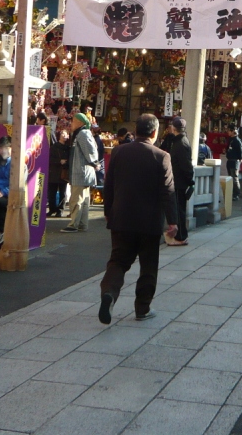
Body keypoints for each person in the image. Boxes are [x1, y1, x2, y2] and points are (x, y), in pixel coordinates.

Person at [98, 113, 178, 324]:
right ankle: (142, 308)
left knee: (118, 261)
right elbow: (168, 192)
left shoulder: (119, 152)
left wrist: (108, 211)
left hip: (121, 217)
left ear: (136, 130)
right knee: (148, 265)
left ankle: (109, 293)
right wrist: (173, 221)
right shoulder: (162, 156)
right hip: (149, 221)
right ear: (154, 132)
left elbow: (109, 184)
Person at [63, 113, 99, 233]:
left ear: (80, 122)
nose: (71, 123)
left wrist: (94, 162)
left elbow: (90, 150)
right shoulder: (82, 133)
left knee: (76, 199)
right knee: (83, 200)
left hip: (81, 172)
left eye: (73, 120)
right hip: (83, 171)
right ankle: (82, 224)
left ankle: (74, 224)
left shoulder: (83, 133)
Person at [164, 116, 194, 245]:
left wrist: (189, 180)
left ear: (174, 128)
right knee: (178, 208)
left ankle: (180, 236)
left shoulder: (180, 143)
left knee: (179, 210)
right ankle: (179, 234)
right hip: (179, 180)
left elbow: (185, 165)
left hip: (179, 181)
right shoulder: (181, 140)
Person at [48, 129, 70, 218]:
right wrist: (59, 161)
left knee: (62, 192)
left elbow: (71, 160)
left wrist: (66, 162)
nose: (63, 136)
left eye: (65, 134)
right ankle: (52, 209)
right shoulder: (53, 147)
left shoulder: (69, 148)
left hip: (63, 172)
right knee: (52, 192)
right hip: (53, 171)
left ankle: (60, 210)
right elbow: (49, 159)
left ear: (68, 136)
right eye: (62, 134)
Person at [224, 125, 242, 200]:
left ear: (233, 131)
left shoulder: (237, 140)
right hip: (229, 159)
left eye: (229, 130)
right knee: (230, 177)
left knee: (234, 177)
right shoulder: (230, 139)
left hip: (235, 160)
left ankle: (236, 193)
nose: (228, 132)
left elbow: (240, 152)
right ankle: (231, 192)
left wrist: (239, 159)